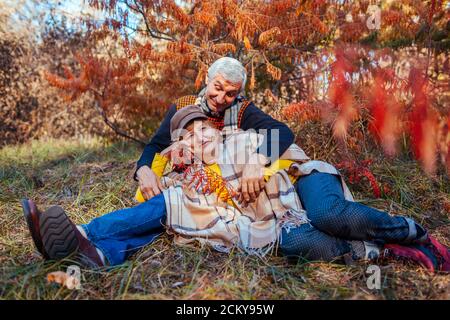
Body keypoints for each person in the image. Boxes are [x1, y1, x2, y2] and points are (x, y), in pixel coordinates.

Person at [21, 106, 450, 272]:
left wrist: (258, 168)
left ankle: (412, 231)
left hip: (303, 185)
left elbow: (286, 146)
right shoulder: (189, 171)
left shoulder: (244, 138)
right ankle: (94, 252)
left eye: (200, 131)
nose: (196, 140)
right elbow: (157, 204)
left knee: (330, 217)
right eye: (186, 138)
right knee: (307, 243)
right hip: (276, 226)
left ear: (215, 128)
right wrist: (149, 171)